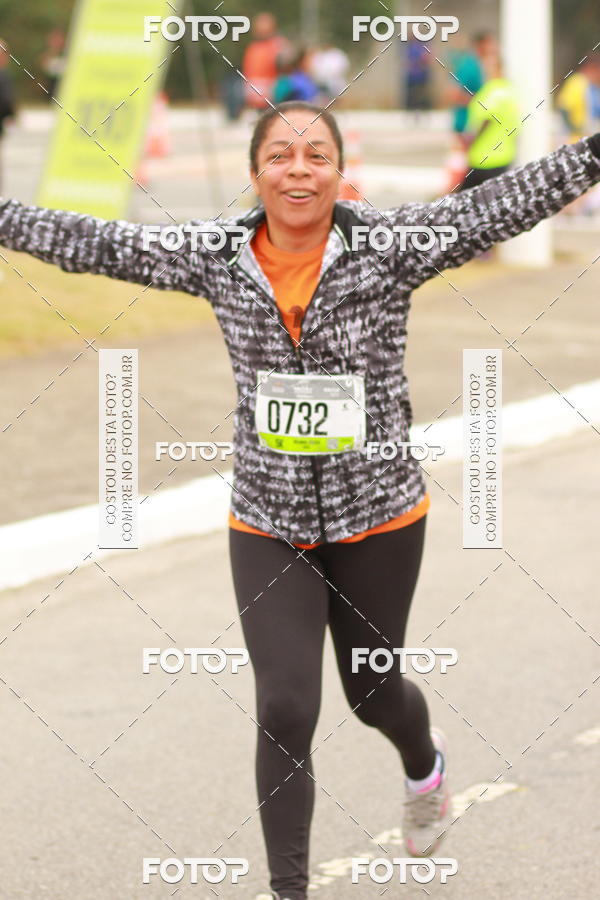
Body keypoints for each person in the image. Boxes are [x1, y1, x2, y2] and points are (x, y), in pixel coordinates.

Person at [2, 102, 600, 900]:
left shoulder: (386, 248)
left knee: (373, 692)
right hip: (269, 519)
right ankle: (291, 891)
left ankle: (425, 767)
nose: (299, 169)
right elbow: (99, 243)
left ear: (338, 172)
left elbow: (495, 203)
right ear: (256, 175)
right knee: (285, 705)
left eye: (317, 155)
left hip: (380, 515)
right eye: (281, 155)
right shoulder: (218, 255)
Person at [459, 48, 521, 191]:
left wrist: (469, 141)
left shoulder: (494, 91)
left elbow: (487, 119)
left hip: (485, 158)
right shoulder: (508, 89)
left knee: (464, 203)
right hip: (503, 155)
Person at [242, 12, 289, 112]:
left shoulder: (278, 44)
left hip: (273, 92)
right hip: (256, 94)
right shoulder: (253, 47)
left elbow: (285, 67)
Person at [557, 53, 600, 143]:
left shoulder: (592, 86)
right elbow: (563, 107)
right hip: (576, 140)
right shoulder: (577, 83)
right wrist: (574, 128)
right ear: (592, 68)